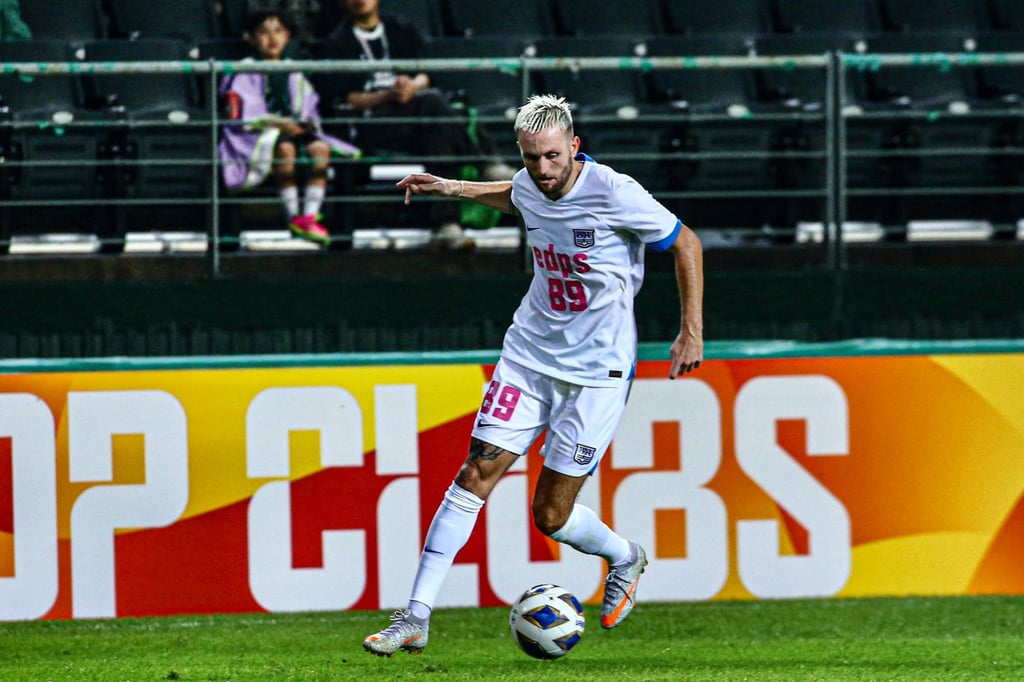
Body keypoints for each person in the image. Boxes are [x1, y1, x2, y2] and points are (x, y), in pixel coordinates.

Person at [362, 94, 705, 657]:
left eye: (550, 157)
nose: (541, 171)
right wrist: (452, 187)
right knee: (475, 472)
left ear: (573, 146)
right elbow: (516, 197)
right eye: (529, 158)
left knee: (551, 515)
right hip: (528, 357)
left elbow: (684, 242)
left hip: (597, 372)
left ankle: (623, 555)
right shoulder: (529, 182)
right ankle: (415, 615)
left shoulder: (615, 192)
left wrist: (690, 330)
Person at [314, 0, 514, 249]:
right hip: (371, 124)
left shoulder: (401, 29)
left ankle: (446, 227)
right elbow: (346, 98)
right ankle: (484, 165)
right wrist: (388, 95)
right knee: (433, 105)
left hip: (415, 117)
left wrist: (413, 86)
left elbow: (426, 72)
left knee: (437, 134)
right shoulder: (335, 42)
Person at [218, 8, 360, 245]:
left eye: (278, 31)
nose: (272, 38)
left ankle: (309, 216)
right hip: (262, 134)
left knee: (320, 149)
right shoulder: (243, 69)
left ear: (287, 36)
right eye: (263, 32)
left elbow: (308, 106)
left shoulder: (294, 69)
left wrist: (303, 124)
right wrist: (280, 123)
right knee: (286, 151)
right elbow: (244, 113)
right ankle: (293, 215)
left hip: (295, 129)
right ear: (251, 38)